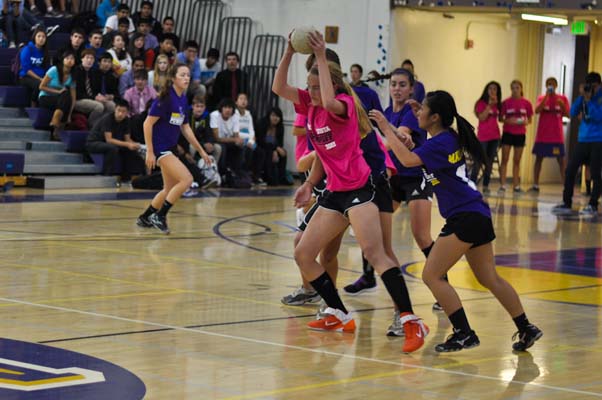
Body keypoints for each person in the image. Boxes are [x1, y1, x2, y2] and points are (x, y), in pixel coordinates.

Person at [272, 30, 428, 353]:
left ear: (334, 83)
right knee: (303, 252)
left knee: (376, 254)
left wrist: (320, 54)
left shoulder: (341, 103)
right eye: (310, 87)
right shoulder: (311, 105)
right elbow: (279, 88)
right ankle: (338, 311)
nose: (311, 92)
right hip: (334, 194)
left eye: (317, 86)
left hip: (361, 190)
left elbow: (329, 98)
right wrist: (288, 52)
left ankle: (411, 319)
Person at [372, 89, 542, 353]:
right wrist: (401, 127)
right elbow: (415, 149)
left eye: (422, 110)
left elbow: (406, 159)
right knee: (489, 278)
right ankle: (526, 327)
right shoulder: (444, 138)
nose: (417, 114)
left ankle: (464, 333)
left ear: (435, 117)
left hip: (465, 216)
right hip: (477, 214)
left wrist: (384, 126)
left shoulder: (439, 144)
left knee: (432, 275)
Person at [355, 68, 439, 335]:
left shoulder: (410, 114)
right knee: (372, 229)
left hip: (415, 178)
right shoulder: (387, 113)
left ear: (412, 88)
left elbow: (391, 142)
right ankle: (369, 276)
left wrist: (375, 130)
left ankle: (441, 283)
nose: (397, 89)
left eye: (402, 85)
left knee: (421, 235)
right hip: (393, 180)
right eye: (393, 84)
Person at [137, 63, 212, 234]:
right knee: (186, 180)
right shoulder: (164, 99)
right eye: (182, 75)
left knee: (169, 189)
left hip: (170, 147)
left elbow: (185, 128)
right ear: (173, 78)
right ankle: (160, 215)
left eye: (188, 75)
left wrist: (201, 150)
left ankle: (145, 216)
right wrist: (149, 151)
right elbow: (147, 124)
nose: (187, 78)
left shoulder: (183, 99)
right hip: (160, 148)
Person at [552, 72, 602, 216]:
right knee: (571, 169)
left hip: (598, 139)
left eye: (594, 87)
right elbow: (573, 112)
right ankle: (566, 202)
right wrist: (582, 97)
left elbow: (597, 117)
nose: (591, 89)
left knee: (595, 173)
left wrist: (589, 100)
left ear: (599, 85)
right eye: (589, 86)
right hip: (583, 139)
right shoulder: (584, 97)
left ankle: (593, 204)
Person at [85, 98, 144, 181]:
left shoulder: (126, 121)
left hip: (110, 143)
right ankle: (106, 176)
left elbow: (127, 139)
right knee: (112, 148)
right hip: (94, 143)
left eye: (123, 112)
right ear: (115, 109)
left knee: (130, 151)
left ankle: (126, 178)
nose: (120, 114)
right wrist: (128, 144)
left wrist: (137, 145)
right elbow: (109, 140)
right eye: (118, 110)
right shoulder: (108, 119)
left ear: (127, 113)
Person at [530, 77, 569, 192]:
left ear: (556, 86)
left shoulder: (562, 99)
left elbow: (568, 114)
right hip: (542, 136)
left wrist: (562, 105)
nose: (550, 86)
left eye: (552, 84)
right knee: (538, 159)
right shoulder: (542, 98)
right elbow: (536, 110)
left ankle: (566, 185)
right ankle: (535, 184)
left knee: (561, 161)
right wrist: (546, 97)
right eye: (548, 84)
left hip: (557, 136)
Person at [499, 80, 533, 193]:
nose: (515, 90)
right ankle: (503, 184)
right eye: (513, 88)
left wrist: (524, 122)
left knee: (517, 160)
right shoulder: (506, 102)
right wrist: (509, 120)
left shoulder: (527, 103)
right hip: (508, 133)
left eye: (517, 87)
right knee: (505, 159)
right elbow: (500, 118)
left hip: (520, 134)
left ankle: (516, 185)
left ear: (521, 88)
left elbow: (530, 119)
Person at [471, 81, 502, 192]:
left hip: (495, 136)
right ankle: (472, 183)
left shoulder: (498, 104)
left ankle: (486, 185)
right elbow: (482, 118)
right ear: (486, 90)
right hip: (483, 136)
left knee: (489, 161)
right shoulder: (481, 103)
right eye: (490, 88)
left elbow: (501, 118)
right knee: (478, 160)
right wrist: (489, 105)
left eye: (495, 89)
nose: (492, 91)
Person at [38, 49, 76, 140]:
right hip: (46, 97)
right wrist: (58, 92)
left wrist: (70, 114)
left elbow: (73, 98)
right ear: (63, 60)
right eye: (67, 58)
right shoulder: (54, 69)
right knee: (64, 94)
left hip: (61, 100)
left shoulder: (73, 75)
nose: (70, 60)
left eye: (72, 58)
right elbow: (41, 86)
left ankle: (56, 121)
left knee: (67, 95)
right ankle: (57, 130)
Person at [235, 93, 264, 184]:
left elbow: (251, 129)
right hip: (239, 139)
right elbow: (236, 130)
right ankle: (244, 174)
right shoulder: (234, 114)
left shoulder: (248, 114)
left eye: (245, 99)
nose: (243, 101)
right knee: (247, 151)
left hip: (249, 140)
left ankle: (256, 176)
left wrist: (251, 140)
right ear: (236, 101)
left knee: (260, 152)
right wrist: (246, 140)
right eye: (241, 99)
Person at [72, 48, 105, 128]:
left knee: (111, 106)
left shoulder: (95, 72)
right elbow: (77, 93)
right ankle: (92, 127)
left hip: (91, 98)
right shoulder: (76, 71)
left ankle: (104, 127)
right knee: (99, 107)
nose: (89, 60)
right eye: (87, 58)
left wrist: (100, 96)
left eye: (92, 58)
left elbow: (97, 90)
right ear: (82, 59)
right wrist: (94, 97)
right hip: (77, 99)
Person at [256, 107, 288, 186]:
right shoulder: (262, 123)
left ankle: (282, 177)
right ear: (269, 116)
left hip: (273, 147)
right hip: (261, 146)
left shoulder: (280, 127)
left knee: (283, 153)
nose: (275, 118)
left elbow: (280, 143)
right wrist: (275, 149)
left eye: (278, 116)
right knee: (269, 153)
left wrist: (277, 150)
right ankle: (269, 178)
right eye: (273, 116)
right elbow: (261, 140)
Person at [210, 98, 243, 175]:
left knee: (241, 147)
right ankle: (221, 172)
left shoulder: (235, 115)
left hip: (228, 140)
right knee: (222, 148)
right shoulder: (215, 115)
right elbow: (216, 138)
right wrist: (234, 139)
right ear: (221, 108)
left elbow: (236, 136)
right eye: (225, 107)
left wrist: (239, 142)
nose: (227, 110)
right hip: (216, 141)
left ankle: (236, 173)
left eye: (230, 108)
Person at [18, 27, 48, 106]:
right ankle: (33, 103)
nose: (41, 39)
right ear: (34, 37)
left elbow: (47, 67)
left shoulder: (45, 51)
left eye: (43, 37)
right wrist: (39, 78)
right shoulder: (27, 49)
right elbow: (27, 69)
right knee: (39, 84)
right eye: (39, 36)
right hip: (26, 77)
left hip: (41, 76)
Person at [189, 95, 221, 164]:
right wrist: (203, 144)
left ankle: (213, 169)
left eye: (202, 106)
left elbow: (209, 131)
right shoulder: (188, 115)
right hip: (190, 142)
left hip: (202, 142)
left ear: (205, 107)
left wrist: (210, 143)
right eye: (197, 106)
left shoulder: (206, 116)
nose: (199, 109)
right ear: (192, 106)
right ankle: (192, 168)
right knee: (192, 147)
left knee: (217, 148)